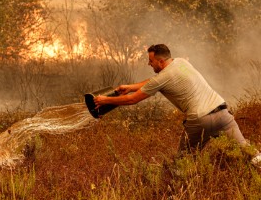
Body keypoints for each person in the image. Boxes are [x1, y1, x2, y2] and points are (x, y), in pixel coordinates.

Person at [94, 44, 261, 165]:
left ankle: (178, 199)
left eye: (151, 61)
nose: (149, 64)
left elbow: (133, 99)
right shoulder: (181, 62)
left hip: (199, 120)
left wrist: (104, 100)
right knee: (248, 151)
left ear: (160, 62)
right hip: (223, 114)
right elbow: (156, 81)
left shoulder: (162, 77)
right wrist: (130, 87)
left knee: (184, 162)